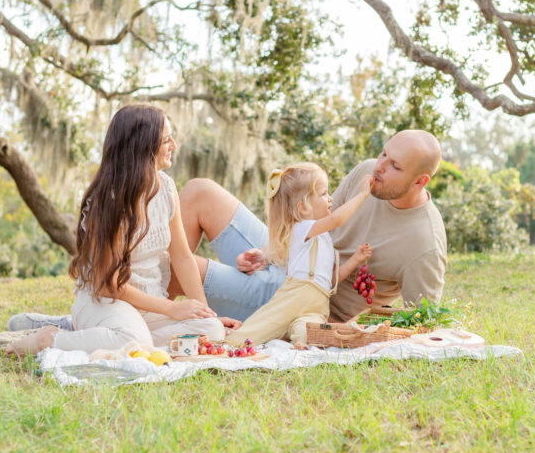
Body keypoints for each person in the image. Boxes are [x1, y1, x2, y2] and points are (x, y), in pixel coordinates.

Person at [5, 104, 240, 356]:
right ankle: (49, 339)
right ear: (143, 147)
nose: (174, 145)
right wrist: (172, 309)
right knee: (132, 340)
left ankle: (88, 334)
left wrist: (204, 313)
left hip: (148, 306)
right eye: (166, 139)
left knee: (211, 331)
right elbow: (109, 283)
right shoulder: (110, 201)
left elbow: (182, 257)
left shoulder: (167, 189)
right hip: (105, 301)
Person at [184, 130, 447, 324]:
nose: (379, 167)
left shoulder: (424, 244)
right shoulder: (367, 172)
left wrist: (338, 328)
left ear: (420, 181)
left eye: (395, 166)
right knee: (200, 192)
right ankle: (157, 311)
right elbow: (319, 226)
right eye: (384, 154)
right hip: (293, 261)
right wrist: (268, 252)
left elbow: (423, 324)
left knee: (178, 265)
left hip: (300, 304)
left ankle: (166, 316)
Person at [223, 163, 374, 347]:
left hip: (318, 306)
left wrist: (356, 259)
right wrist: (363, 194)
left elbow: (332, 281)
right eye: (323, 193)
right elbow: (337, 219)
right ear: (303, 207)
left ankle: (300, 347)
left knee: (308, 333)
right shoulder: (302, 229)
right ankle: (225, 344)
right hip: (295, 297)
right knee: (257, 329)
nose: (330, 198)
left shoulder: (324, 240)